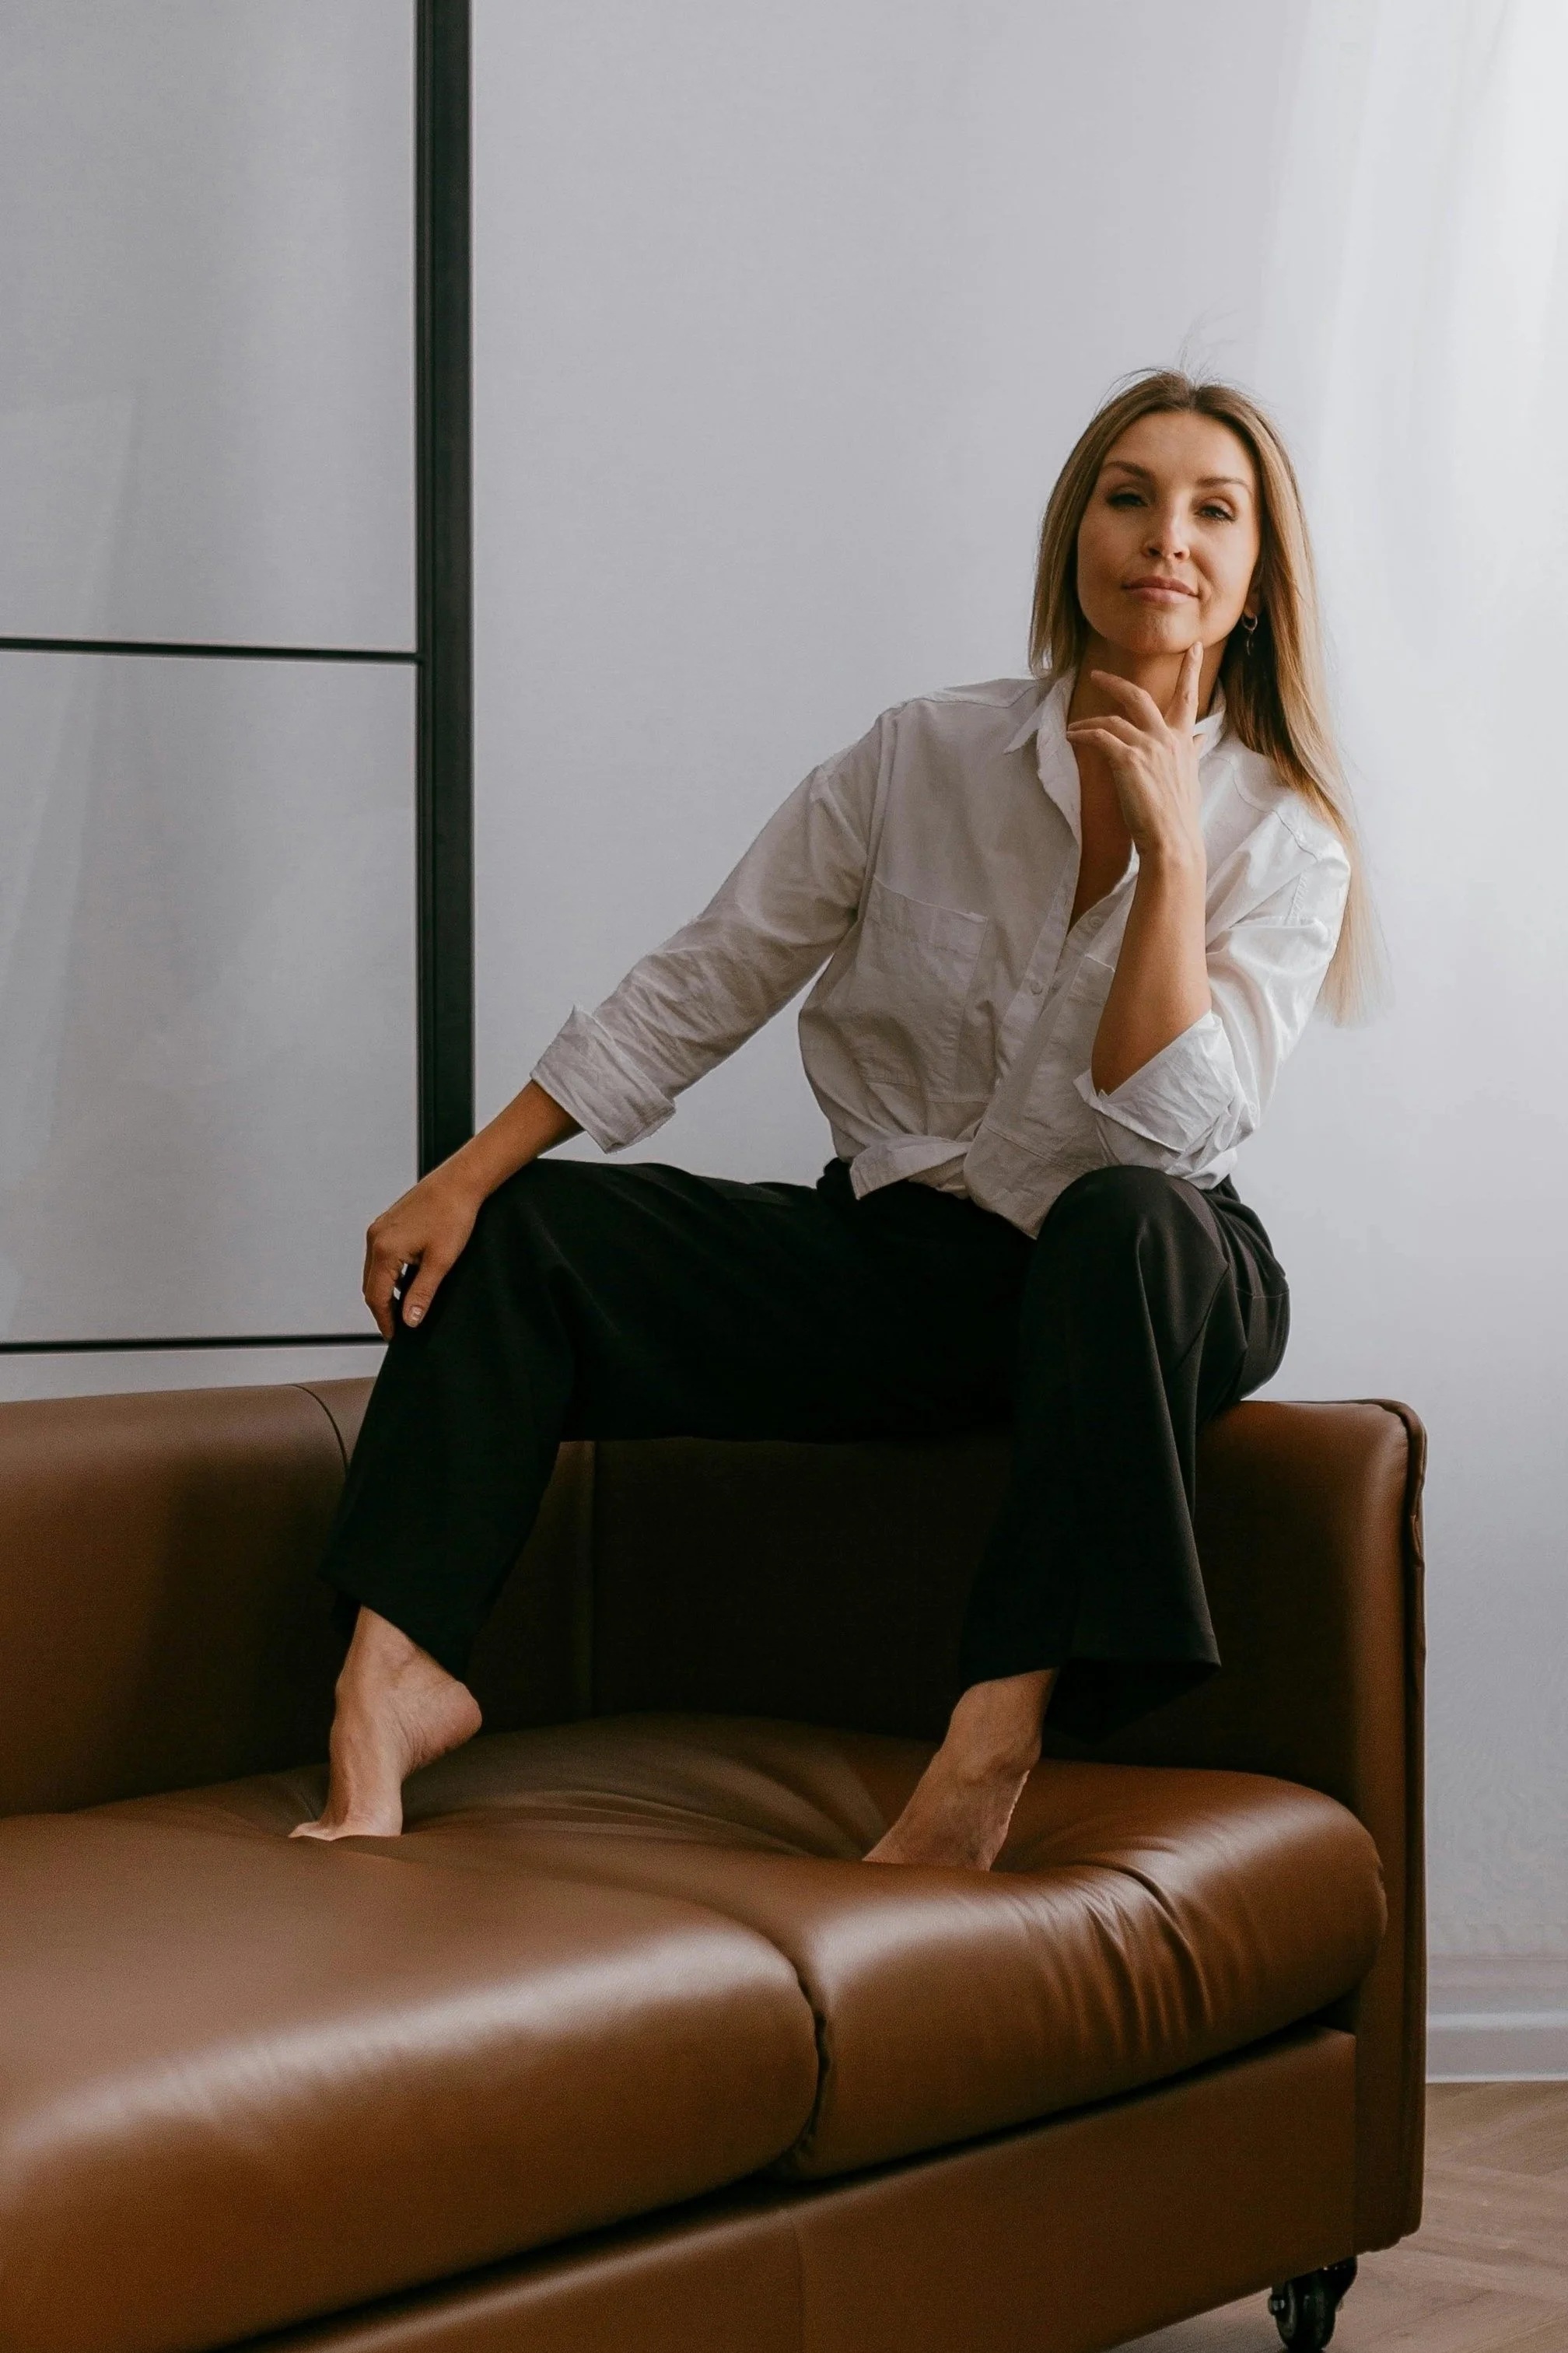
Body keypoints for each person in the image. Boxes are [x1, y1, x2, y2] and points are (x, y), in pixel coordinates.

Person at [294, 367, 1367, 1865]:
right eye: (1128, 497)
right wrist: (465, 1176)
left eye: (1213, 509)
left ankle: (991, 1741)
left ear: (1256, 578)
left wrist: (1173, 870)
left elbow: (1172, 1140)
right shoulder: (919, 756)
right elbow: (711, 974)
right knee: (531, 1235)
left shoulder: (1286, 835)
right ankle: (398, 1674)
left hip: (1147, 1277)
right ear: (1076, 538)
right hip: (913, 1265)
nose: (1165, 536)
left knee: (1124, 1224)